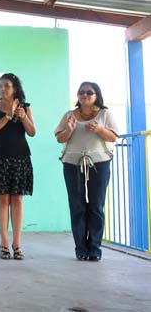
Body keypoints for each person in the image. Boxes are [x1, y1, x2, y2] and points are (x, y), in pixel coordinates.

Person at [55, 82, 118, 261]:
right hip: (72, 163)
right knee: (77, 205)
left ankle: (95, 248)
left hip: (99, 162)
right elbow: (60, 138)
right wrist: (69, 129)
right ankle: (80, 248)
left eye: (89, 92)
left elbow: (113, 137)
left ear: (96, 95)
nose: (85, 95)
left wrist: (99, 129)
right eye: (81, 92)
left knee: (96, 206)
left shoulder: (105, 114)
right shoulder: (69, 115)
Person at [0, 73, 36, 260]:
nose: (3, 89)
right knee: (2, 200)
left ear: (15, 88)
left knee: (18, 200)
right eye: (0, 86)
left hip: (20, 158)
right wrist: (7, 116)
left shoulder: (25, 107)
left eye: (6, 85)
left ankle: (17, 243)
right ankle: (4, 243)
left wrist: (23, 117)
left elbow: (32, 132)